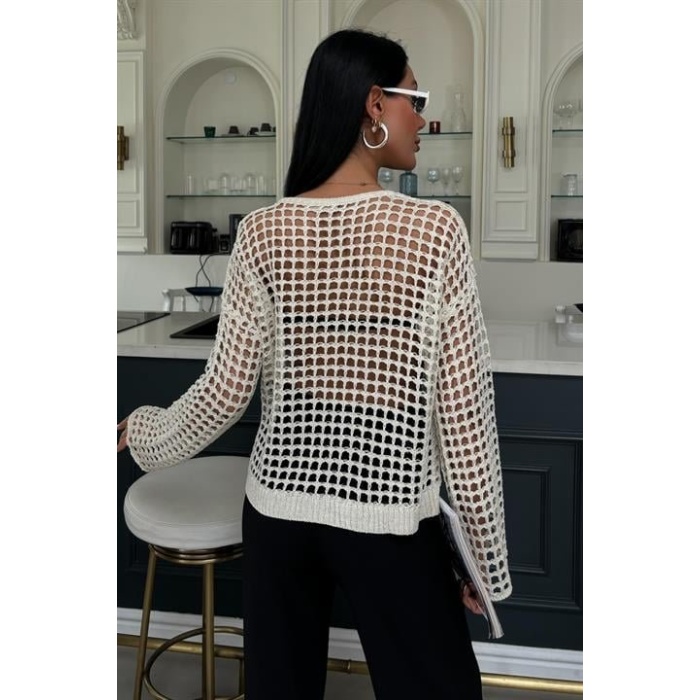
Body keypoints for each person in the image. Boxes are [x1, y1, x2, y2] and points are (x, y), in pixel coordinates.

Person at [117, 28, 512, 700]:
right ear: (375, 105)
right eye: (414, 100)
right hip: (389, 514)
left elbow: (223, 393)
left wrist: (148, 433)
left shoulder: (261, 232)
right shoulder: (434, 230)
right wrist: (486, 562)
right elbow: (465, 420)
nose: (423, 118)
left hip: (279, 515)